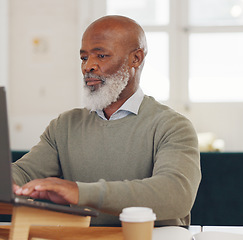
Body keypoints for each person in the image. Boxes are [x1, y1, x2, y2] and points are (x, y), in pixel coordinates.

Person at [12, 15, 201, 226]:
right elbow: (24, 173)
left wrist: (80, 192)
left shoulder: (172, 126)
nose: (88, 67)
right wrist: (2, 181)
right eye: (84, 58)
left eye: (101, 56)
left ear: (136, 59)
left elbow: (175, 194)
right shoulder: (64, 126)